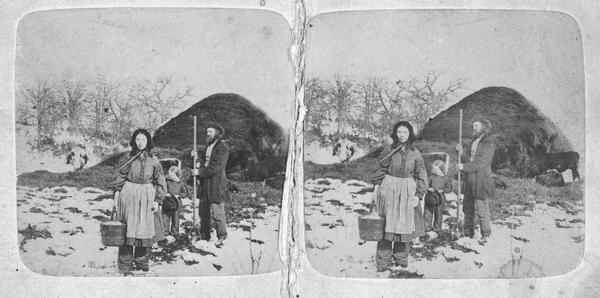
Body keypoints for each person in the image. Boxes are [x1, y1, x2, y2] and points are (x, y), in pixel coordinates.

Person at [371, 121, 428, 270]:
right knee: (386, 226)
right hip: (389, 189)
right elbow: (381, 168)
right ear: (395, 133)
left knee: (404, 225)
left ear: (410, 134)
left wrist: (419, 194)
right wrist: (376, 188)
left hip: (407, 190)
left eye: (405, 132)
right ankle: (383, 261)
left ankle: (401, 258)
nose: (402, 135)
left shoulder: (415, 153)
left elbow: (421, 173)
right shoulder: (389, 150)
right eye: (399, 132)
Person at [112, 128, 167, 275]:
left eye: (143, 139)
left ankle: (141, 262)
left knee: (144, 229)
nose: (140, 142)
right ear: (133, 141)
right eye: (137, 139)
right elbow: (120, 176)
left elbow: (160, 180)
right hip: (129, 194)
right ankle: (124, 264)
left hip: (147, 196)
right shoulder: (127, 157)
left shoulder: (154, 160)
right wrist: (116, 195)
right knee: (127, 230)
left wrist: (158, 200)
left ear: (148, 141)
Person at [457, 116, 496, 242]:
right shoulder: (474, 141)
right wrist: (461, 152)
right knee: (467, 207)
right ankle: (468, 230)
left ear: (484, 127)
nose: (474, 128)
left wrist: (464, 167)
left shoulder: (488, 142)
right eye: (473, 126)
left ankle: (486, 234)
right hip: (470, 179)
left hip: (481, 180)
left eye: (477, 125)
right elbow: (468, 158)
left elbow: (481, 163)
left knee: (481, 207)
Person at [191, 123, 230, 247]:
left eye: (211, 132)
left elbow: (216, 167)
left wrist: (199, 172)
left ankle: (222, 236)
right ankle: (204, 235)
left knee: (217, 211)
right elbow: (203, 162)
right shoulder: (208, 146)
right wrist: (196, 157)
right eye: (207, 132)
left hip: (216, 184)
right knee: (203, 211)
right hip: (205, 183)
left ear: (217, 133)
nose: (208, 134)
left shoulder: (223, 148)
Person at [424, 159, 452, 233]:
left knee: (438, 214)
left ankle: (437, 228)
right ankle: (427, 228)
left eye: (436, 168)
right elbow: (426, 185)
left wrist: (443, 190)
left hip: (440, 198)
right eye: (434, 168)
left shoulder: (445, 178)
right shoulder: (431, 177)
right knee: (428, 213)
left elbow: (449, 188)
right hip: (430, 197)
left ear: (440, 169)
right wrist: (428, 188)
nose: (434, 170)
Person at [163, 166, 190, 236]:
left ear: (177, 175)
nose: (171, 176)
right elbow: (163, 190)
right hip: (167, 202)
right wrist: (166, 194)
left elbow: (185, 193)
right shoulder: (167, 182)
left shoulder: (181, 183)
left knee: (175, 219)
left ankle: (174, 233)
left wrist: (179, 195)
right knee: (165, 218)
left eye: (173, 175)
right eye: (170, 175)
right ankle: (165, 232)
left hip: (177, 203)